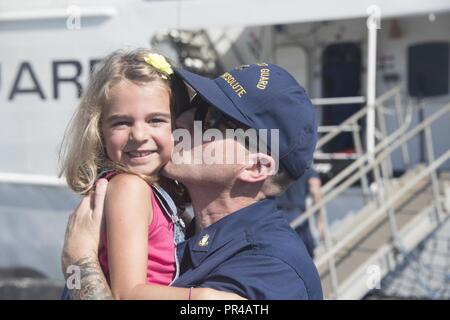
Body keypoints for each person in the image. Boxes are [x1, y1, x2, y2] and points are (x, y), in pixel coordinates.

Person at [61, 62, 323, 299]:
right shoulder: (185, 230)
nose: (182, 119)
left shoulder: (272, 270)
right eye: (195, 104)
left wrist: (79, 266)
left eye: (210, 118)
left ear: (255, 167)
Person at [59, 48, 243, 300]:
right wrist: (203, 299)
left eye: (156, 120)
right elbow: (129, 293)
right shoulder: (129, 188)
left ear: (177, 125)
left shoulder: (155, 191)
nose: (139, 135)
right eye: (121, 122)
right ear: (99, 130)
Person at [276, 167, 324, 258]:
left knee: (283, 255)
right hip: (297, 216)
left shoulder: (276, 169)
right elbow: (316, 191)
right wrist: (320, 220)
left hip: (277, 216)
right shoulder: (306, 170)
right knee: (305, 254)